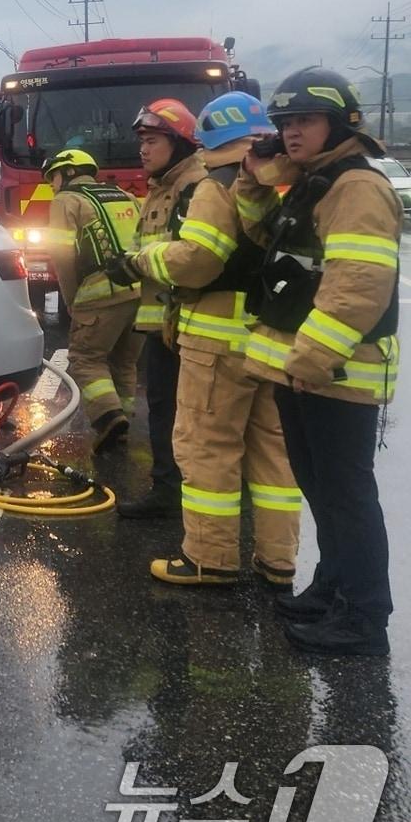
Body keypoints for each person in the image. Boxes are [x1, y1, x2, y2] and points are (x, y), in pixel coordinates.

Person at [236, 69, 399, 657]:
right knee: (322, 490)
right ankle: (332, 589)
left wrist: (310, 359)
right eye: (284, 123)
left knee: (345, 494)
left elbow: (359, 285)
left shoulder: (355, 187)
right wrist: (256, 176)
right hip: (303, 372)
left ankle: (363, 616)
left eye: (303, 120)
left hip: (334, 372)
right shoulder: (313, 183)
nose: (291, 132)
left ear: (340, 122)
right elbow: (262, 236)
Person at [125, 93, 301, 585]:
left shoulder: (217, 183)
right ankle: (278, 561)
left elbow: (199, 261)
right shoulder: (285, 181)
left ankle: (210, 558)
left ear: (205, 137)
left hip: (217, 341)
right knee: (272, 454)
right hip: (272, 337)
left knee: (209, 448)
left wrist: (145, 260)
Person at [110, 99, 207, 519]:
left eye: (151, 140)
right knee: (165, 410)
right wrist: (124, 263)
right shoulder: (160, 188)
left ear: (180, 142)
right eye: (142, 141)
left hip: (189, 323)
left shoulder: (195, 187)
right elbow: (147, 244)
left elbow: (191, 258)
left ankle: (184, 496)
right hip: (164, 323)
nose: (143, 150)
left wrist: (134, 262)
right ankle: (167, 490)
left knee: (189, 416)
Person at [41, 148, 142, 449]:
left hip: (100, 293)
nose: (53, 185)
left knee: (86, 359)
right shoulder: (126, 196)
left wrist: (72, 299)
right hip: (141, 293)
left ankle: (109, 418)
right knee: (125, 362)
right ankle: (122, 421)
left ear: (68, 172)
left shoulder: (66, 200)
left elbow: (62, 255)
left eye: (53, 178)